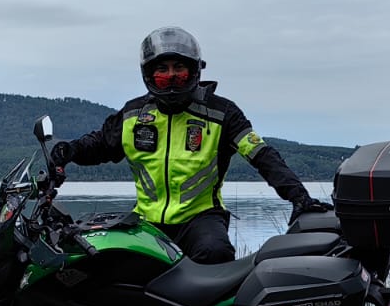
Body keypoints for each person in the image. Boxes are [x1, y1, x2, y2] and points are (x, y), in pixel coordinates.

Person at [47, 26, 331, 265]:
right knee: (111, 265)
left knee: (216, 253)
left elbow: (261, 155)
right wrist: (68, 150)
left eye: (179, 69)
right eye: (162, 69)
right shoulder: (134, 114)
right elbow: (100, 144)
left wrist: (299, 197)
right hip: (146, 221)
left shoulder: (222, 113)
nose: (171, 75)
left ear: (194, 70)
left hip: (201, 219)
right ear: (149, 73)